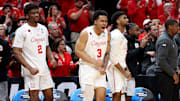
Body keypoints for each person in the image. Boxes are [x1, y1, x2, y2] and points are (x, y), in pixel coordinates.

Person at [13, 4, 57, 101]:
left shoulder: (43, 28)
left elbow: (47, 46)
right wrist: (29, 67)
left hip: (43, 67)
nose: (36, 15)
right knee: (34, 96)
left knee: (50, 96)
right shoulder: (21, 30)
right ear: (27, 15)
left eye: (37, 13)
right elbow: (16, 52)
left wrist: (52, 59)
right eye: (33, 13)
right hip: (30, 68)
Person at [75, 10, 110, 101]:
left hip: (100, 70)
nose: (104, 24)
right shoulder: (86, 33)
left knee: (101, 98)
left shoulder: (107, 34)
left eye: (106, 21)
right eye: (102, 21)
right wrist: (94, 62)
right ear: (95, 21)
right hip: (87, 68)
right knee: (88, 98)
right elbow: (78, 51)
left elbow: (107, 53)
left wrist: (104, 66)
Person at [107, 11, 131, 101]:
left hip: (121, 66)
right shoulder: (115, 35)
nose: (127, 19)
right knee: (117, 93)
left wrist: (126, 70)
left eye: (127, 17)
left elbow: (122, 57)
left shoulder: (121, 36)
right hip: (114, 67)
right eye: (124, 18)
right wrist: (123, 71)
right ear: (117, 21)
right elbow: (112, 57)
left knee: (122, 93)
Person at [124, 23, 150, 101]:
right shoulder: (124, 41)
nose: (139, 32)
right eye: (136, 30)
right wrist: (140, 48)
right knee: (122, 95)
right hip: (124, 72)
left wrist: (143, 47)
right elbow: (126, 55)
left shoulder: (137, 42)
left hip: (133, 72)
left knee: (130, 95)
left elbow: (140, 57)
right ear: (129, 31)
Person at [155, 19, 179, 101]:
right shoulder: (164, 39)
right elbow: (162, 60)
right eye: (176, 26)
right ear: (170, 27)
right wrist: (173, 73)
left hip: (170, 73)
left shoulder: (171, 38)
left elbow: (171, 57)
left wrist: (176, 68)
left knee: (174, 98)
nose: (178, 28)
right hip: (164, 74)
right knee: (167, 98)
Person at [0, 35, 11, 101]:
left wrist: (2, 60)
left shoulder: (4, 43)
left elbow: (8, 58)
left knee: (3, 98)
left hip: (1, 75)